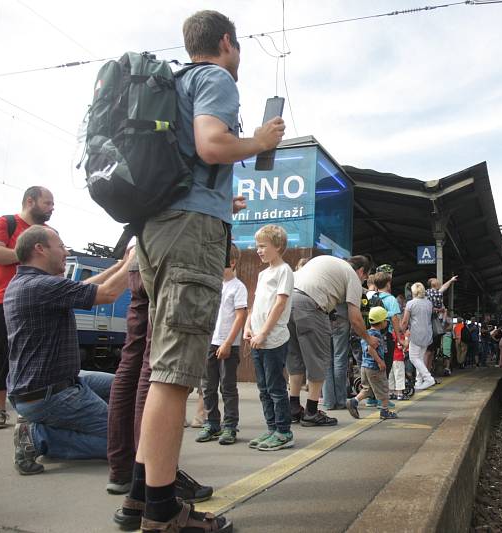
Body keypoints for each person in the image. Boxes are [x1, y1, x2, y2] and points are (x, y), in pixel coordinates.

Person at [130, 10, 285, 532]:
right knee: (175, 377)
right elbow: (212, 144)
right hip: (189, 233)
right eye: (237, 47)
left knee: (161, 369)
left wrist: (223, 203)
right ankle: (162, 513)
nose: (237, 58)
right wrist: (261, 141)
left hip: (156, 229)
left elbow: (193, 159)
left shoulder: (170, 85)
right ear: (225, 42)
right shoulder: (213, 77)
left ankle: (138, 495)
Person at [5, 226, 130, 475]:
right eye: (60, 246)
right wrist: (136, 261)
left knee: (123, 385)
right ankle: (40, 436)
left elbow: (83, 287)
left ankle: (99, 425)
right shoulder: (40, 286)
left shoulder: (28, 283)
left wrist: (119, 266)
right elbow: (108, 293)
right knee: (126, 446)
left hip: (54, 384)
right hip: (50, 394)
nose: (66, 251)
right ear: (39, 249)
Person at [107, 253, 213, 513]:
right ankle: (157, 476)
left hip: (141, 256)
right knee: (158, 366)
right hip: (174, 255)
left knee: (131, 361)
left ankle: (122, 470)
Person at [287, 255, 379, 426]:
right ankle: (312, 412)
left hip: (288, 301)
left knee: (295, 357)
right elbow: (355, 318)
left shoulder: (325, 261)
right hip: (311, 306)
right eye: (365, 277)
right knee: (320, 358)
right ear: (361, 271)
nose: (364, 280)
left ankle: (293, 408)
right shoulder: (352, 276)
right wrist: (368, 338)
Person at [0, 186, 54, 429]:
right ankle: (0, 410)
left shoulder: (49, 232)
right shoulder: (6, 223)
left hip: (38, 303)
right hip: (1, 300)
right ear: (30, 201)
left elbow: (54, 264)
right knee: (1, 356)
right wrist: (31, 255)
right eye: (47, 203)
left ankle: (27, 408)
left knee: (33, 357)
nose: (52, 208)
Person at [245, 225, 294, 451]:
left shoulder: (284, 271)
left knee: (276, 387)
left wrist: (264, 331)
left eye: (263, 246)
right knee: (263, 388)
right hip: (257, 338)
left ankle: (284, 431)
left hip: (273, 339)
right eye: (257, 246)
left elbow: (280, 303)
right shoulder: (263, 273)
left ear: (278, 246)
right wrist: (248, 326)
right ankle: (271, 428)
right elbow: (256, 304)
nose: (259, 250)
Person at [196, 245, 247, 445]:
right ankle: (212, 423)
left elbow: (241, 316)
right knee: (207, 386)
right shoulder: (214, 285)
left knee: (227, 387)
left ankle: (230, 426)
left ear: (231, 262)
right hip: (209, 342)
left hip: (228, 345)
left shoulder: (238, 287)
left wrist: (227, 342)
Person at [346, 307, 397, 420]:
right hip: (374, 367)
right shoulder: (376, 335)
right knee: (383, 389)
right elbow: (370, 348)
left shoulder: (366, 333)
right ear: (382, 322)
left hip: (365, 367)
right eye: (386, 320)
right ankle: (385, 411)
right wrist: (380, 362)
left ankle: (354, 402)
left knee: (367, 389)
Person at [401, 282, 435, 390]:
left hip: (416, 333)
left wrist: (401, 331)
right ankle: (418, 382)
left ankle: (428, 378)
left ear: (413, 292)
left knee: (413, 357)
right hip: (427, 333)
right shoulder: (429, 303)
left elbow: (405, 321)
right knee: (419, 358)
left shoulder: (411, 303)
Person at [389, 332, 408, 400]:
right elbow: (402, 346)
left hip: (390, 358)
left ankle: (390, 393)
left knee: (391, 376)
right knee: (399, 375)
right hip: (398, 357)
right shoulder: (400, 335)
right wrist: (406, 337)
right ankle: (399, 394)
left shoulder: (391, 334)